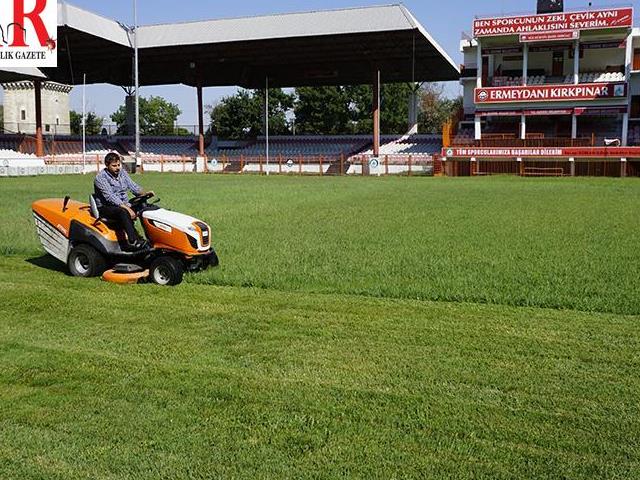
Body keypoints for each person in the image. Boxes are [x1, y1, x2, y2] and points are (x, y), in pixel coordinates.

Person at [94, 152, 154, 249]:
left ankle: (152, 238)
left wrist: (145, 194)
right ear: (106, 165)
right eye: (114, 166)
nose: (117, 168)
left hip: (123, 204)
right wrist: (128, 208)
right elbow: (110, 197)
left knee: (144, 206)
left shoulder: (122, 173)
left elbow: (133, 187)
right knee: (123, 212)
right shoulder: (100, 178)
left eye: (118, 165)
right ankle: (134, 241)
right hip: (106, 207)